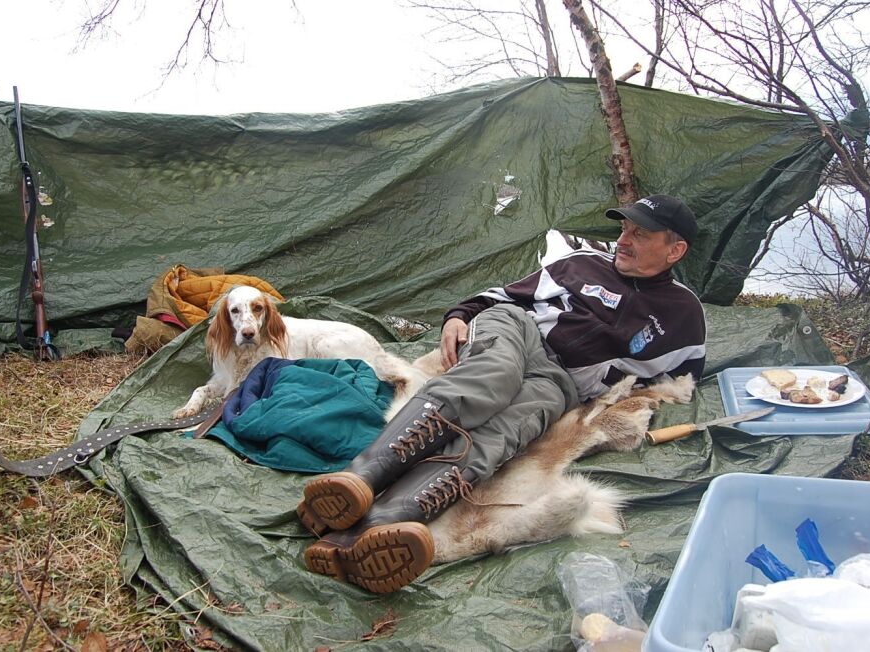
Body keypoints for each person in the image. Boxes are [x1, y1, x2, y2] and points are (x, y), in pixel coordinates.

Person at [294, 194, 707, 593]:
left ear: (676, 250)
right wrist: (458, 316)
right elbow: (504, 297)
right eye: (625, 228)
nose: (624, 239)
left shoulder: (683, 315)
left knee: (503, 434)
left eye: (641, 234)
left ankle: (370, 530)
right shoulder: (581, 264)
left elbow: (676, 383)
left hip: (559, 381)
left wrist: (623, 406)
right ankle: (360, 478)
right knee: (496, 376)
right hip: (518, 331)